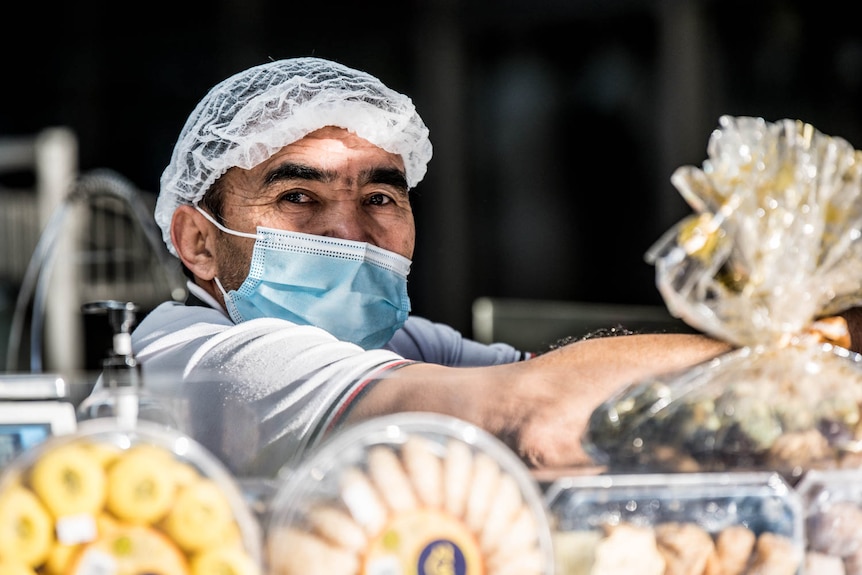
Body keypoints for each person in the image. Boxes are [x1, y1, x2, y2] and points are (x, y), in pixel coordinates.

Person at [117, 56, 736, 477]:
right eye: (298, 197)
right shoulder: (208, 361)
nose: (349, 232)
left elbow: (566, 383)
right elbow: (537, 419)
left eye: (379, 198)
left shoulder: (391, 342)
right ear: (198, 241)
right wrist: (807, 343)